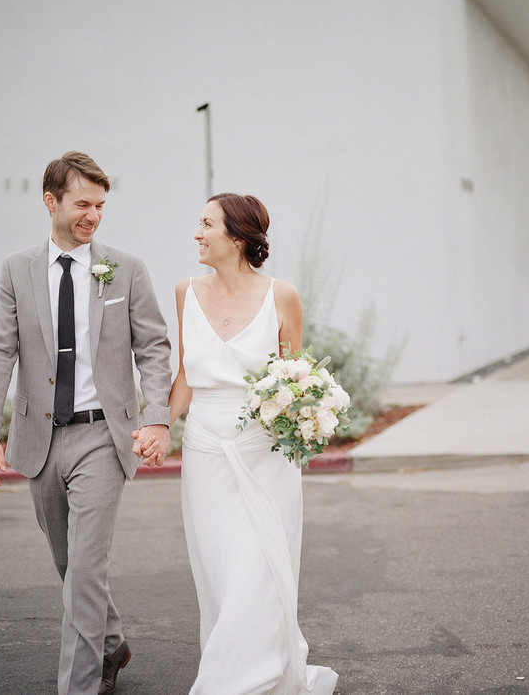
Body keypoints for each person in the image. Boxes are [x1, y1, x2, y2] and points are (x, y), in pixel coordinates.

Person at [0, 152, 172, 695]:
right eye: (83, 204)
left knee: (87, 569)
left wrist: (158, 419)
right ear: (52, 202)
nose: (94, 215)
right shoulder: (16, 270)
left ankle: (80, 686)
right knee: (70, 565)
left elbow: (153, 347)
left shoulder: (126, 268)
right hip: (39, 437)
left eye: (101, 205)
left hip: (103, 435)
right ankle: (112, 645)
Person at [165, 193, 338, 694]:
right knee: (221, 569)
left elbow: (295, 377)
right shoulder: (185, 292)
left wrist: (308, 418)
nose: (197, 234)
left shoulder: (281, 295)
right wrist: (155, 426)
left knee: (256, 567)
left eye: (207, 224)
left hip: (265, 452)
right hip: (204, 450)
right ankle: (243, 665)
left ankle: (240, 682)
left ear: (237, 237)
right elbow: (185, 376)